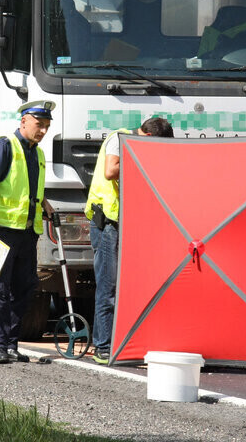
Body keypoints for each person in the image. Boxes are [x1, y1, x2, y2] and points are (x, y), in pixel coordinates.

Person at [84, 117, 174, 364]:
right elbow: (110, 170)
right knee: (108, 286)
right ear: (145, 136)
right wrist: (139, 157)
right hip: (107, 224)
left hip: (125, 222)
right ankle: (102, 346)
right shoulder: (119, 139)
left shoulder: (134, 142)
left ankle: (119, 342)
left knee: (126, 286)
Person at [0, 100, 55, 364]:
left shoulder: (38, 153)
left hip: (26, 231)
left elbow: (27, 186)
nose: (43, 131)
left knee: (25, 287)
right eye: (38, 125)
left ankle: (11, 344)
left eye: (46, 126)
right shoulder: (5, 145)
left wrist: (43, 201)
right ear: (23, 121)